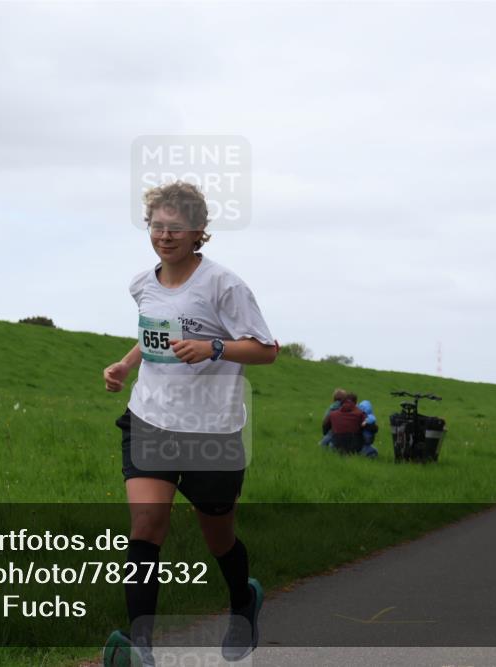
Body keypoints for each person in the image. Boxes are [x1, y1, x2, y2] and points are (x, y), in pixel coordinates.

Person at [102, 181, 278, 666]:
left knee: (218, 537)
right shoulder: (143, 284)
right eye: (156, 226)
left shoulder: (224, 286)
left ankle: (243, 600)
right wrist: (125, 365)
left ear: (199, 231)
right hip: (151, 419)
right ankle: (141, 647)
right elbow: (153, 335)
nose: (164, 236)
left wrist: (213, 347)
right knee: (146, 525)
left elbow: (266, 350)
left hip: (211, 432)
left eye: (175, 228)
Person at [322, 392, 377, 456]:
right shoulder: (360, 414)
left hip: (336, 446)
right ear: (356, 403)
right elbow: (373, 428)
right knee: (373, 451)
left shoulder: (333, 414)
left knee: (331, 438)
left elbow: (325, 428)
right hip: (355, 447)